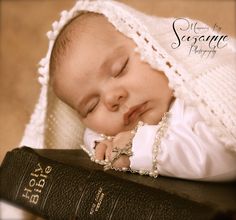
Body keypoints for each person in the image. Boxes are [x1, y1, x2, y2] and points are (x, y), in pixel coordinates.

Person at [49, 8, 236, 181]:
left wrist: (139, 149)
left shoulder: (202, 99)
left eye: (119, 69)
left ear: (151, 45)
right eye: (92, 105)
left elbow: (226, 153)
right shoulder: (112, 132)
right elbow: (93, 136)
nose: (111, 98)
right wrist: (103, 147)